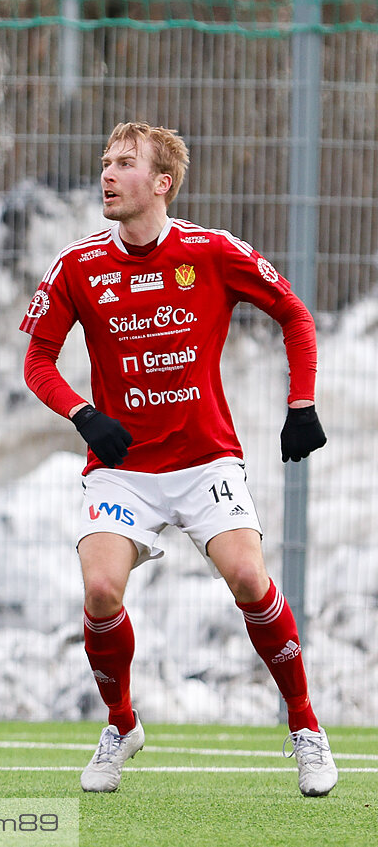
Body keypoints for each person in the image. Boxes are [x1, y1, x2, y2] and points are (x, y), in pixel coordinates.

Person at [21, 123, 335, 797]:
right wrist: (84, 413)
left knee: (250, 577)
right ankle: (121, 724)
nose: (107, 173)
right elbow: (37, 361)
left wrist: (302, 404)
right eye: (105, 161)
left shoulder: (212, 251)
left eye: (124, 163)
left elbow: (296, 315)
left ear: (161, 183)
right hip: (123, 466)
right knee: (101, 590)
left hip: (204, 461)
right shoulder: (77, 265)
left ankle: (305, 725)